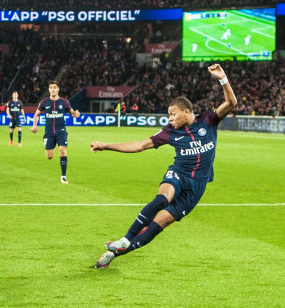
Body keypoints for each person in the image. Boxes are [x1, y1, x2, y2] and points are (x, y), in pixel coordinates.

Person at [91, 63, 236, 269]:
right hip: (179, 174)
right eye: (168, 115)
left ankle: (114, 255)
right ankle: (125, 239)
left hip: (197, 186)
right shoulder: (169, 131)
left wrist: (223, 79)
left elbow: (231, 102)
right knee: (161, 199)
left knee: (159, 225)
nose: (170, 118)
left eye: (173, 114)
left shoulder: (208, 120)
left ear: (187, 112)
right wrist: (106, 145)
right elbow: (140, 145)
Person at [30, 80, 81, 184]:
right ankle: (48, 143)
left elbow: (72, 113)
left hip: (61, 131)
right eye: (51, 87)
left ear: (58, 89)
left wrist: (76, 114)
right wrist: (34, 125)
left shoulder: (64, 102)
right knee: (49, 156)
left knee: (62, 150)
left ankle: (63, 176)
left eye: (54, 87)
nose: (52, 89)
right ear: (49, 89)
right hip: (49, 132)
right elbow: (36, 115)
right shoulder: (44, 102)